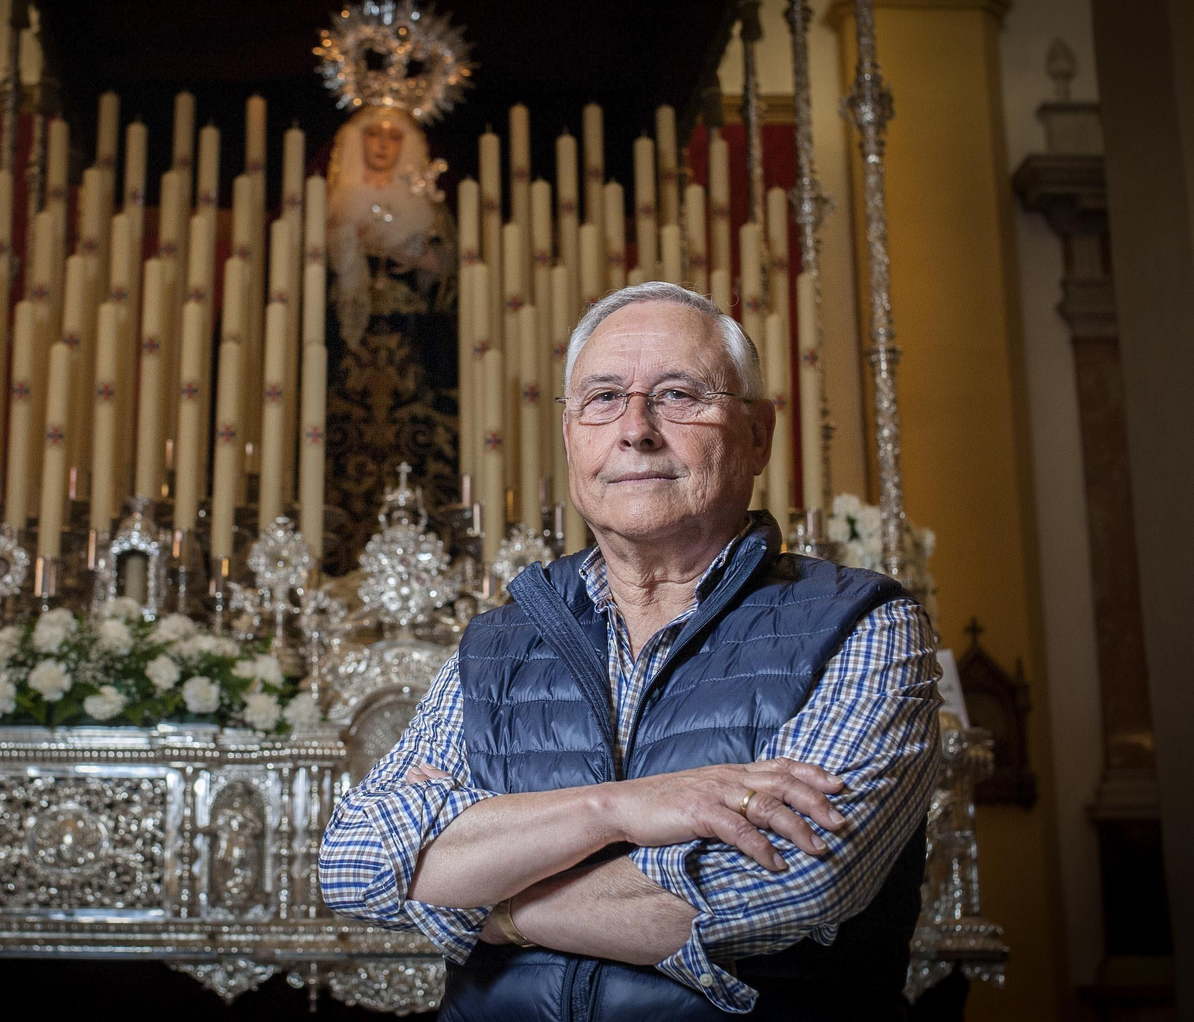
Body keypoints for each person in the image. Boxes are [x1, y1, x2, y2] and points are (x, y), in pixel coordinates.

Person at [319, 281, 942, 1020]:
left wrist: (490, 903)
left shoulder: (864, 624)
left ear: (758, 435)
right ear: (571, 435)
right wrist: (617, 809)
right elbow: (353, 862)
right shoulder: (499, 643)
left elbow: (791, 883)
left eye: (679, 395)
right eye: (604, 396)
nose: (636, 428)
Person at [322, 105, 459, 570]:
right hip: (349, 350)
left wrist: (419, 262)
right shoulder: (334, 201)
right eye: (374, 135)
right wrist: (347, 247)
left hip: (412, 346)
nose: (382, 145)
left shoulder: (427, 206)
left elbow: (450, 276)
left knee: (416, 444)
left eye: (393, 137)